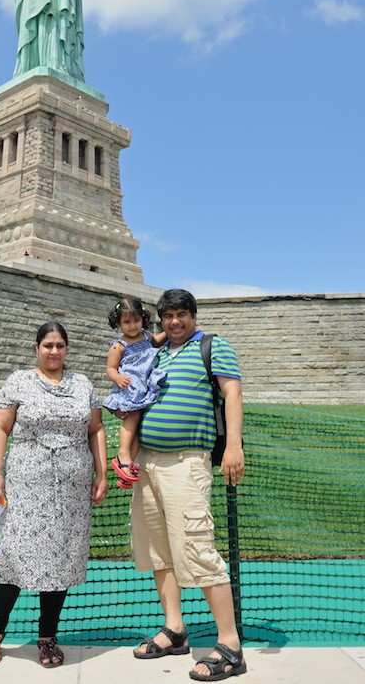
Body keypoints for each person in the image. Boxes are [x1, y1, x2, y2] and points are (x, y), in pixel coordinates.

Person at [130, 289, 247, 681]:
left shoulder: (213, 348)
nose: (175, 321)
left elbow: (232, 393)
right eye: (168, 316)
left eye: (182, 314)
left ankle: (229, 645)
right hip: (147, 465)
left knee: (198, 550)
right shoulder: (157, 353)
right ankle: (175, 629)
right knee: (158, 550)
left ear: (193, 316)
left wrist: (232, 445)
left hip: (187, 463)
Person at [0, 321, 108, 668]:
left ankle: (48, 636)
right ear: (36, 347)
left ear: (67, 349)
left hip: (72, 486)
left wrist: (102, 472)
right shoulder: (18, 381)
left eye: (60, 345)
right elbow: (0, 426)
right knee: (12, 553)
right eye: (48, 345)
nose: (54, 351)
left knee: (60, 558)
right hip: (25, 481)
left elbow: (95, 428)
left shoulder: (82, 384)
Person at [102, 297, 166, 488]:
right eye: (127, 322)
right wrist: (117, 378)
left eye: (136, 320)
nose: (132, 326)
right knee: (133, 417)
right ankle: (123, 452)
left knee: (138, 426)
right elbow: (110, 368)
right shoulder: (119, 345)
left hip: (144, 386)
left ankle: (127, 467)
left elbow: (158, 340)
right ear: (119, 322)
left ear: (143, 320)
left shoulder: (146, 336)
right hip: (130, 388)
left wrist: (170, 332)